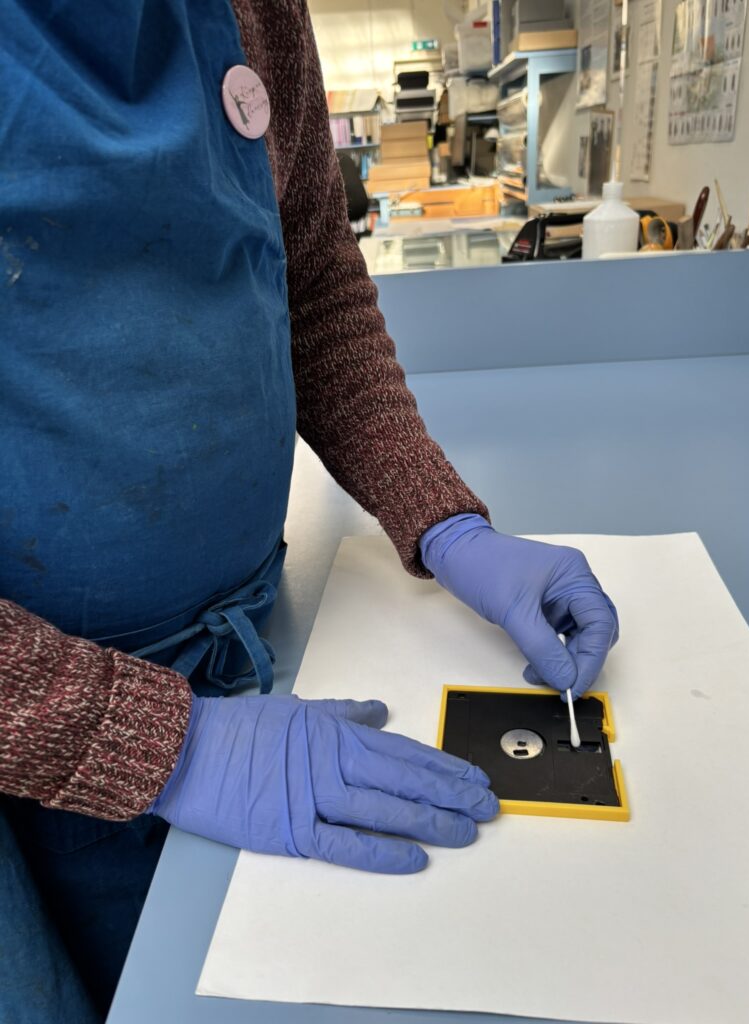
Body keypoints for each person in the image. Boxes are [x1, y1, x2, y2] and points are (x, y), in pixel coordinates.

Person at [0, 2, 619, 1021]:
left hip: (260, 646)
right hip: (39, 737)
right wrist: (162, 744)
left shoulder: (253, 13)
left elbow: (311, 282)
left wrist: (441, 519)